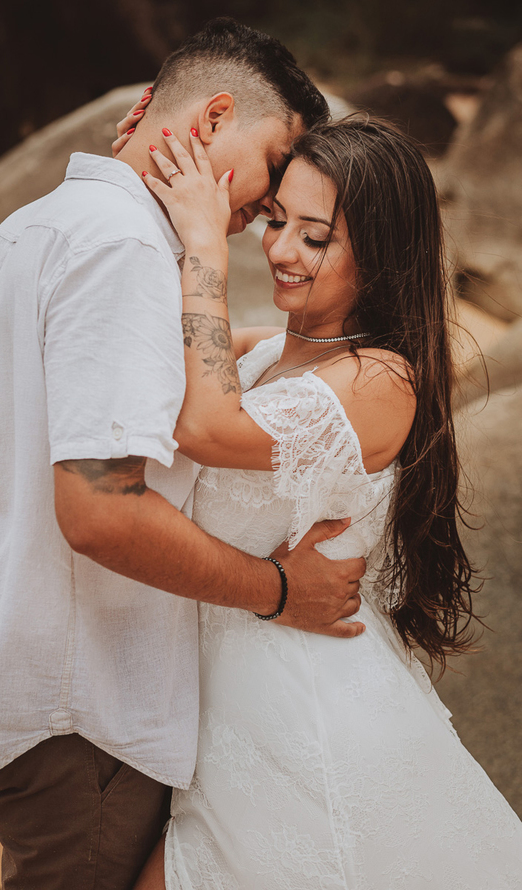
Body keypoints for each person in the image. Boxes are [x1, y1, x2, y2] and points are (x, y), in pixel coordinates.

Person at [0, 18, 366, 889]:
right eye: (276, 163)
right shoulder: (123, 252)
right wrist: (280, 592)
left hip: (42, 670)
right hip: (86, 701)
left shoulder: (38, 226)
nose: (267, 209)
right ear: (210, 122)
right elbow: (97, 506)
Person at [125, 115, 522, 888]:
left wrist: (207, 242)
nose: (278, 250)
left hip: (310, 721)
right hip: (237, 718)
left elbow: (205, 423)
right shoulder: (273, 353)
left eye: (316, 237)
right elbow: (163, 346)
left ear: (379, 255)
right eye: (275, 221)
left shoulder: (380, 381)